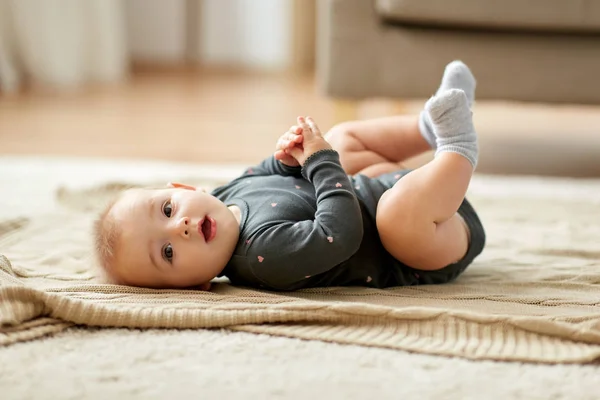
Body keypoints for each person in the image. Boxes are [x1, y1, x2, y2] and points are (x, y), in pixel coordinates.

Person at [94, 61, 485, 291]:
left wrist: (290, 155)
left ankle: (427, 127)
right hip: (428, 241)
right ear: (195, 286)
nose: (179, 227)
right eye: (167, 253)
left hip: (391, 187)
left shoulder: (227, 193)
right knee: (394, 215)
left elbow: (270, 172)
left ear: (182, 188)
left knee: (342, 139)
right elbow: (340, 232)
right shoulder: (263, 257)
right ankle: (457, 148)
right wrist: (321, 163)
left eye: (166, 209)